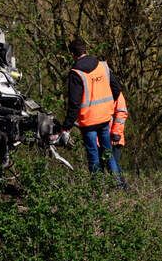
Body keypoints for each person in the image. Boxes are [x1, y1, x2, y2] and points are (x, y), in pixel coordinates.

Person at [50, 39, 124, 180]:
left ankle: (98, 189)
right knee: (108, 154)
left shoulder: (75, 73)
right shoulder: (103, 66)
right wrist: (107, 105)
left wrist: (66, 127)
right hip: (105, 118)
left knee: (93, 156)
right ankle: (119, 185)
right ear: (86, 50)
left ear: (72, 54)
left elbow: (74, 104)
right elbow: (117, 89)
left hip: (88, 122)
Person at [109, 91, 128, 169]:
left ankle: (120, 181)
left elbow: (121, 113)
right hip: (102, 138)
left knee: (113, 166)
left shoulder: (116, 93)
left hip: (114, 138)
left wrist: (116, 133)